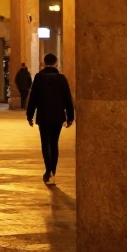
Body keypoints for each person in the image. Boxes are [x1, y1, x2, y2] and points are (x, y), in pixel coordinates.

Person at [26, 53, 74, 185]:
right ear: (56, 62)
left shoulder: (39, 78)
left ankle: (48, 170)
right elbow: (67, 98)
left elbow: (33, 98)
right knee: (54, 143)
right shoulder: (62, 79)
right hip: (58, 116)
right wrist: (70, 116)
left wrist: (29, 115)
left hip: (43, 116)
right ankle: (53, 170)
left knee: (45, 143)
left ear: (43, 62)